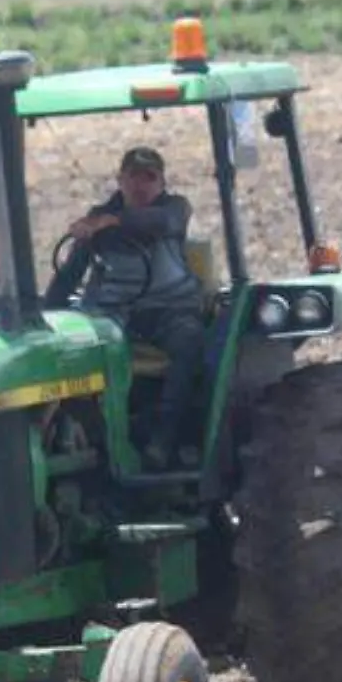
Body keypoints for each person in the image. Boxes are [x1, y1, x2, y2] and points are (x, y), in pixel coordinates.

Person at [44, 146, 205, 470]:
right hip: (114, 316)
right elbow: (70, 274)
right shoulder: (97, 220)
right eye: (133, 177)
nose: (140, 186)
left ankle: (164, 439)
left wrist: (109, 222)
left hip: (169, 310)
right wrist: (45, 314)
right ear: (120, 180)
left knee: (190, 343)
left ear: (161, 182)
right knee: (74, 350)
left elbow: (158, 223)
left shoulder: (173, 210)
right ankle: (86, 435)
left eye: (149, 178)